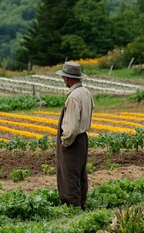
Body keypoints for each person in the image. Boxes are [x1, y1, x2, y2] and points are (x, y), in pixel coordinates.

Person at [55, 61, 95, 210]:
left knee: (69, 174)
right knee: (80, 172)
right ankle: (81, 202)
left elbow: (71, 128)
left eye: (64, 78)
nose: (64, 81)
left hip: (73, 140)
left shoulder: (73, 97)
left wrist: (65, 143)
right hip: (83, 138)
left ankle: (73, 207)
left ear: (68, 79)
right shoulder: (86, 92)